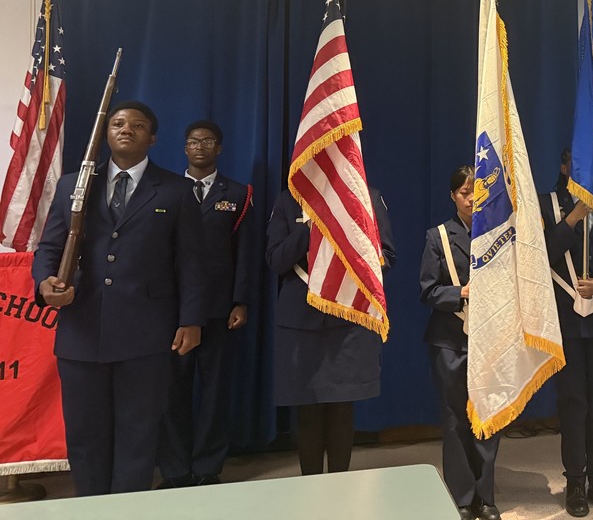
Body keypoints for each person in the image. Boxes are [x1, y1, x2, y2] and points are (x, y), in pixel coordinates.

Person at [32, 101, 206, 496]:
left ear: (153, 138)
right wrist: (45, 284)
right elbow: (49, 249)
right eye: (118, 123)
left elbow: (193, 264)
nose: (126, 129)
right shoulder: (73, 185)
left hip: (145, 337)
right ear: (107, 133)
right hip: (81, 332)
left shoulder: (177, 191)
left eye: (138, 125)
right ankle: (91, 509)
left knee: (138, 438)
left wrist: (191, 320)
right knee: (85, 438)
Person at [266, 185, 395, 476]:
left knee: (341, 406)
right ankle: (310, 487)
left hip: (348, 315)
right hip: (301, 319)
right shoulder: (290, 199)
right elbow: (276, 260)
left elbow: (386, 255)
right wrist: (310, 227)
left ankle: (340, 487)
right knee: (308, 408)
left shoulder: (365, 196)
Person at [157, 120, 255, 488]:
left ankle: (207, 467)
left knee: (214, 392)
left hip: (218, 311)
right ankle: (175, 470)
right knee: (171, 393)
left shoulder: (239, 194)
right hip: (171, 310)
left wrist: (241, 301)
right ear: (184, 148)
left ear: (220, 148)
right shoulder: (165, 189)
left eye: (208, 141)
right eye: (193, 142)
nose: (199, 147)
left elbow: (244, 254)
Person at [539, 149, 593, 517]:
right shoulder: (546, 204)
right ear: (564, 167)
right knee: (573, 404)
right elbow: (539, 253)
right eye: (578, 160)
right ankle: (575, 480)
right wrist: (574, 216)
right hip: (565, 321)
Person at [419, 166, 501, 520]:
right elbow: (428, 290)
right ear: (454, 196)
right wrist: (461, 292)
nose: (471, 199)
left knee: (487, 417)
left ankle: (487, 496)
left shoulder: (497, 235)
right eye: (465, 193)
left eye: (477, 192)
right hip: (449, 340)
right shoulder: (437, 236)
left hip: (489, 338)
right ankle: (464, 498)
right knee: (455, 419)